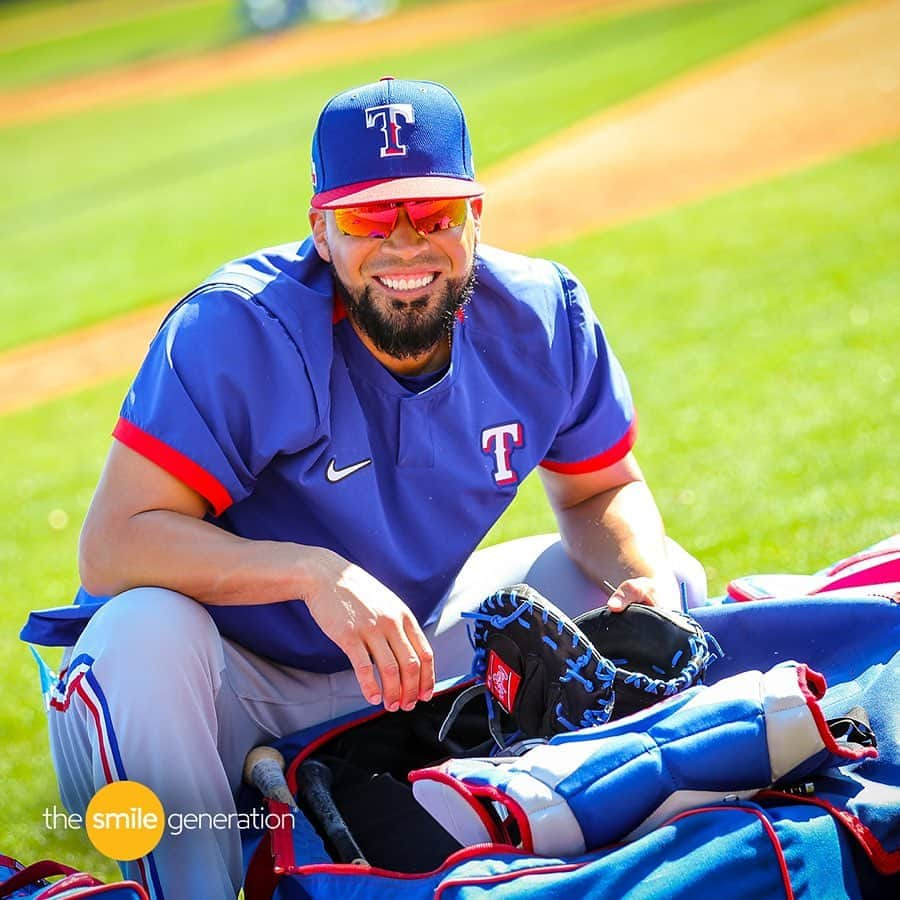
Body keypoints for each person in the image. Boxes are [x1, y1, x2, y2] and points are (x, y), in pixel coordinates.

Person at [22, 77, 706, 898]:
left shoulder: (542, 313)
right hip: (225, 690)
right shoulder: (240, 329)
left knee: (663, 580)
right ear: (320, 229)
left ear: (475, 216)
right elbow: (113, 546)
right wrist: (315, 574)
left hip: (406, 656)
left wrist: (648, 582)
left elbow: (600, 495)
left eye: (435, 214)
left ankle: (576, 847)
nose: (407, 244)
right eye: (368, 219)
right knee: (140, 633)